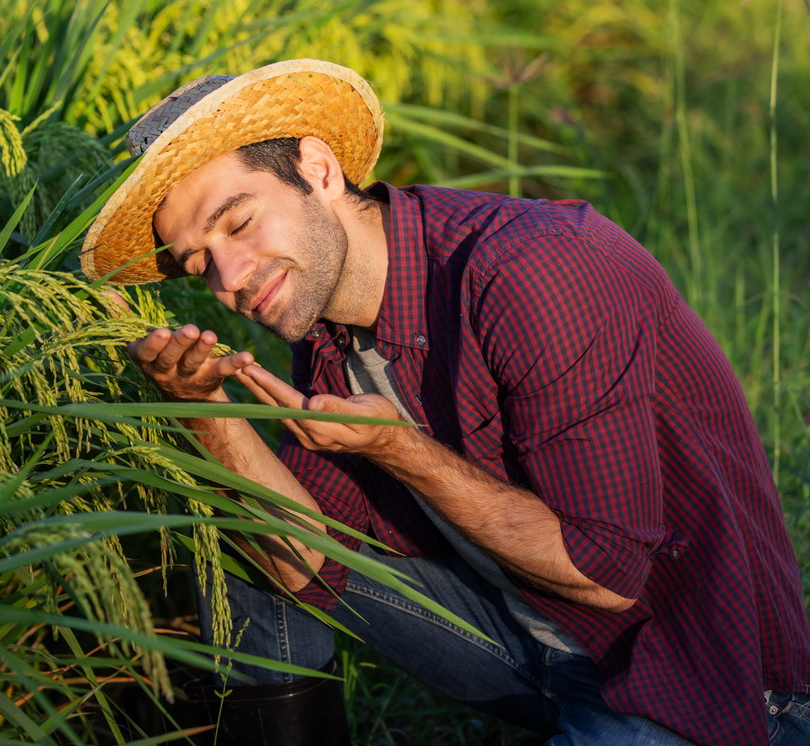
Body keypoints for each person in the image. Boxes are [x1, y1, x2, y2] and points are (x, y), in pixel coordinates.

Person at [79, 60, 810, 745]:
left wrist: (400, 450)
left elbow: (607, 579)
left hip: (689, 674)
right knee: (238, 526)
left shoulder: (533, 272)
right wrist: (208, 416)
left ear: (318, 169)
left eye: (237, 224)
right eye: (198, 263)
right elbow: (298, 562)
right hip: (524, 646)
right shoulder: (329, 331)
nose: (228, 279)